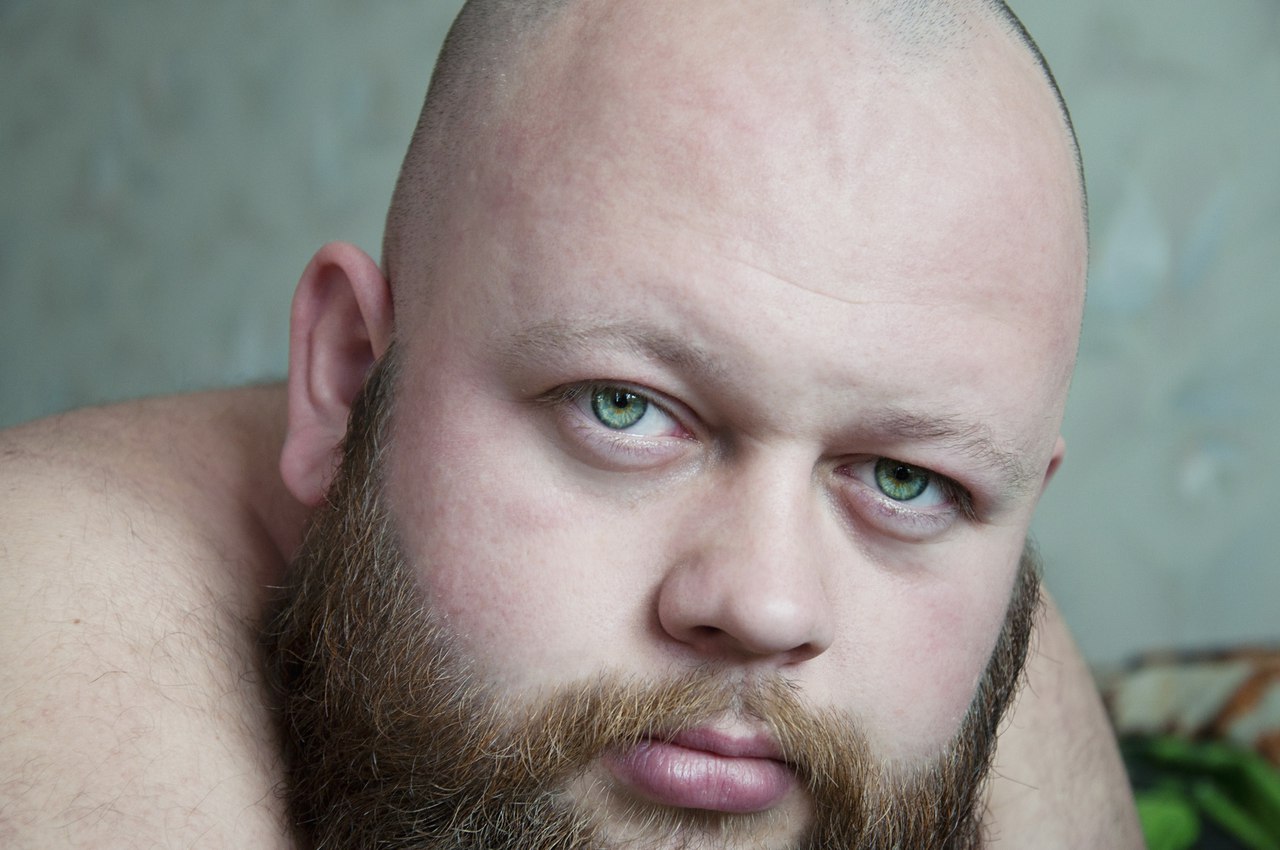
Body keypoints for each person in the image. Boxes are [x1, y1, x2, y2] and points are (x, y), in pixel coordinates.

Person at [0, 1, 1144, 847]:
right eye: (624, 407)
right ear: (344, 383)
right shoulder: (49, 614)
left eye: (902, 479)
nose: (765, 604)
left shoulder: (968, 642)